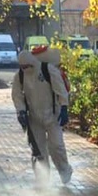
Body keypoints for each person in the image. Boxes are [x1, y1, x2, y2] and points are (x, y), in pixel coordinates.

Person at [12, 49, 73, 185]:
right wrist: (21, 111)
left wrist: (64, 107)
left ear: (32, 62)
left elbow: (61, 89)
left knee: (56, 146)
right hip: (34, 118)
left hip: (53, 116)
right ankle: (42, 179)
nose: (25, 69)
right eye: (22, 67)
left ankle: (65, 170)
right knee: (38, 151)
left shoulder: (47, 70)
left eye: (27, 66)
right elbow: (17, 95)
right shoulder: (20, 76)